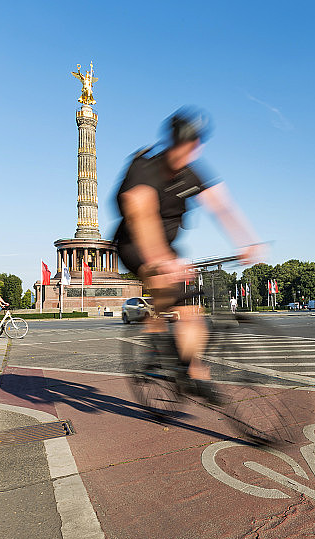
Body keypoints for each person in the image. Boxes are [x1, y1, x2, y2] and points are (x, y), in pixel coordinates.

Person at [114, 106, 262, 384]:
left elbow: (222, 206)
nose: (189, 154)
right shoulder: (144, 169)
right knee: (163, 284)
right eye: (184, 146)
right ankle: (156, 353)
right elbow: (142, 217)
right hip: (134, 243)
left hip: (168, 248)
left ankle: (189, 366)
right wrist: (161, 261)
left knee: (192, 311)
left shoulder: (190, 173)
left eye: (194, 146)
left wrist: (247, 242)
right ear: (172, 142)